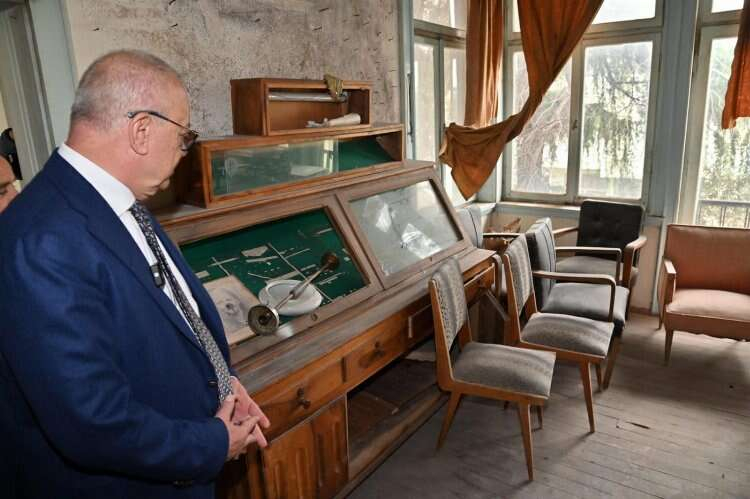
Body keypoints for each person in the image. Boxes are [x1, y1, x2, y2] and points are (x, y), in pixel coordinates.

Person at [0, 50, 269, 499]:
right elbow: (92, 422)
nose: (183, 152)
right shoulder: (41, 239)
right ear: (142, 130)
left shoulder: (117, 201)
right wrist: (213, 443)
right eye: (184, 138)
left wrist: (222, 384)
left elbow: (168, 319)